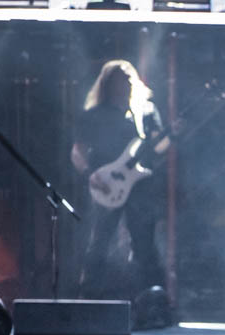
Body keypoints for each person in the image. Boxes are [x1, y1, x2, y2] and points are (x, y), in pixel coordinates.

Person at [70, 59, 166, 300]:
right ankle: (89, 295)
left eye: (128, 80)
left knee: (144, 241)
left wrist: (171, 135)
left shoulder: (145, 111)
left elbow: (159, 146)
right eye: (118, 81)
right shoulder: (94, 115)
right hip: (106, 182)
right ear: (107, 84)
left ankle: (150, 298)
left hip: (139, 184)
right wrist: (89, 175)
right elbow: (77, 150)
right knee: (100, 240)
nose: (125, 85)